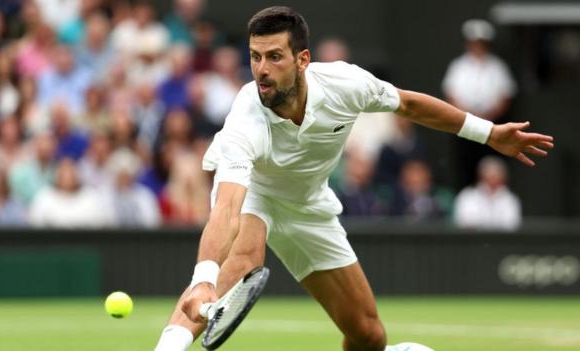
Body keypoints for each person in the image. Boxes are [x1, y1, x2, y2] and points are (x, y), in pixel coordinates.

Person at [154, 7, 553, 351]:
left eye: (274, 56)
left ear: (303, 59)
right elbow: (227, 207)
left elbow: (410, 104)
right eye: (255, 57)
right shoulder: (245, 118)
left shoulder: (346, 84)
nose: (262, 69)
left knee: (368, 335)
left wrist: (488, 133)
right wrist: (204, 277)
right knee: (244, 260)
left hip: (311, 207)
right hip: (256, 195)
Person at [442, 19, 517, 187]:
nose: (477, 46)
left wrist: (487, 117)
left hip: (492, 127)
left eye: (481, 43)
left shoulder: (498, 67)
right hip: (463, 126)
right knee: (465, 169)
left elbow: (506, 97)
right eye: (474, 42)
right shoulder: (458, 67)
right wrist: (468, 116)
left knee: (494, 167)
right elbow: (451, 96)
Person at [454, 156, 521, 231]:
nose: (493, 180)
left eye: (496, 176)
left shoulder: (510, 198)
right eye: (489, 176)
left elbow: (512, 224)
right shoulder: (467, 195)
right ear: (481, 176)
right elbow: (464, 221)